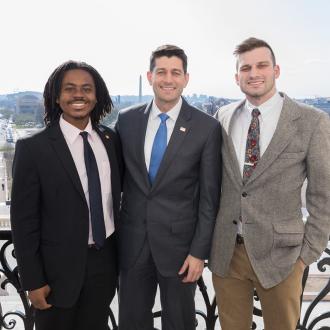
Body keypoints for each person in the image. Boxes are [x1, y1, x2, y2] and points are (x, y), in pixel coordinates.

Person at [210, 37, 330, 330]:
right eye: (245, 68)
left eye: (262, 65)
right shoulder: (223, 117)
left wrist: (306, 255)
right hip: (228, 255)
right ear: (236, 76)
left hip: (283, 258)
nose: (254, 73)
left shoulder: (311, 121)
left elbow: (323, 195)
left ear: (276, 70)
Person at [116, 45, 222, 329]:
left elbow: (209, 199)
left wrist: (199, 252)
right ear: (150, 76)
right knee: (131, 322)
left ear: (186, 78)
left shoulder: (206, 127)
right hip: (132, 245)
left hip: (180, 251)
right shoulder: (126, 121)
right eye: (161, 72)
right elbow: (114, 184)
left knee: (179, 324)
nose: (168, 79)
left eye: (176, 72)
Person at [10, 60, 122, 330]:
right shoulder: (33, 149)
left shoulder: (110, 140)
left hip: (103, 265)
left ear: (97, 96)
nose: (79, 95)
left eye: (86, 88)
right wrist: (32, 281)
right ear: (57, 97)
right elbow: (24, 223)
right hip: (55, 273)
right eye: (69, 89)